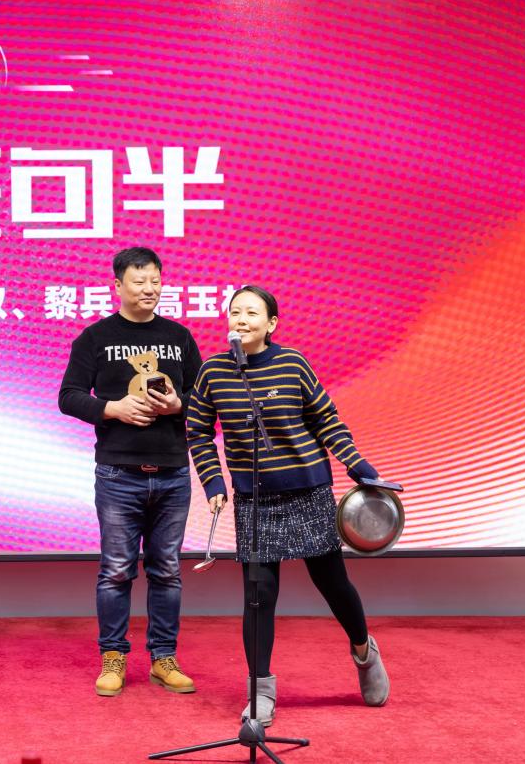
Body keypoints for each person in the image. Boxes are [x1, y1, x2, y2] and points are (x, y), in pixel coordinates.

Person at [185, 285, 390, 726]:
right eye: (234, 312)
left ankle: (363, 651)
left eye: (251, 313)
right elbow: (198, 431)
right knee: (259, 596)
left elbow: (326, 419)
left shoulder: (292, 363)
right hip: (255, 499)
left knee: (333, 583)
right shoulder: (213, 371)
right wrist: (213, 480)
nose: (240, 320)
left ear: (271, 323)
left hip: (307, 490)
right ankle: (260, 691)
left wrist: (357, 465)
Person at [59, 247, 204, 697]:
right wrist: (113, 408)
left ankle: (163, 658)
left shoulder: (179, 337)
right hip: (118, 474)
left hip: (173, 473)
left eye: (155, 281)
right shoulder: (96, 337)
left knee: (168, 571)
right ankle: (113, 657)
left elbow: (206, 400)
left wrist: (179, 405)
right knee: (116, 570)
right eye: (139, 281)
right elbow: (68, 396)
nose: (149, 289)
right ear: (118, 285)